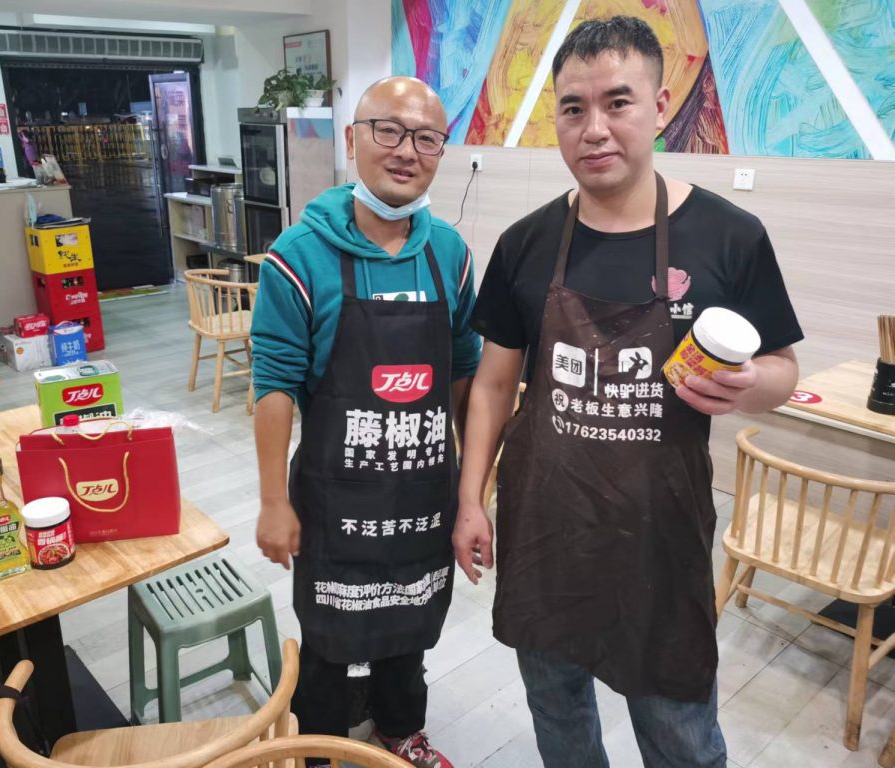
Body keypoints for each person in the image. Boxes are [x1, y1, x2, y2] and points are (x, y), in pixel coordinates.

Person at [453, 16, 803, 768]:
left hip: (659, 537)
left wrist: (749, 385)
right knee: (558, 715)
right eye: (573, 108)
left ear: (660, 104)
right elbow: (493, 385)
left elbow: (783, 369)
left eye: (618, 102)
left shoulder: (729, 236)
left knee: (680, 734)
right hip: (545, 531)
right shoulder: (525, 243)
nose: (595, 129)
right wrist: (470, 498)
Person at [251, 76, 481, 768]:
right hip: (335, 498)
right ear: (352, 140)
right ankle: (318, 745)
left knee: (409, 621)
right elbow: (274, 384)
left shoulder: (450, 254)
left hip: (422, 492)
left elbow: (465, 371)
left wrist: (472, 488)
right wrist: (273, 501)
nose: (407, 150)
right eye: (389, 130)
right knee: (328, 635)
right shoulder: (299, 254)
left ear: (440, 152)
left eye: (427, 138)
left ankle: (399, 729)